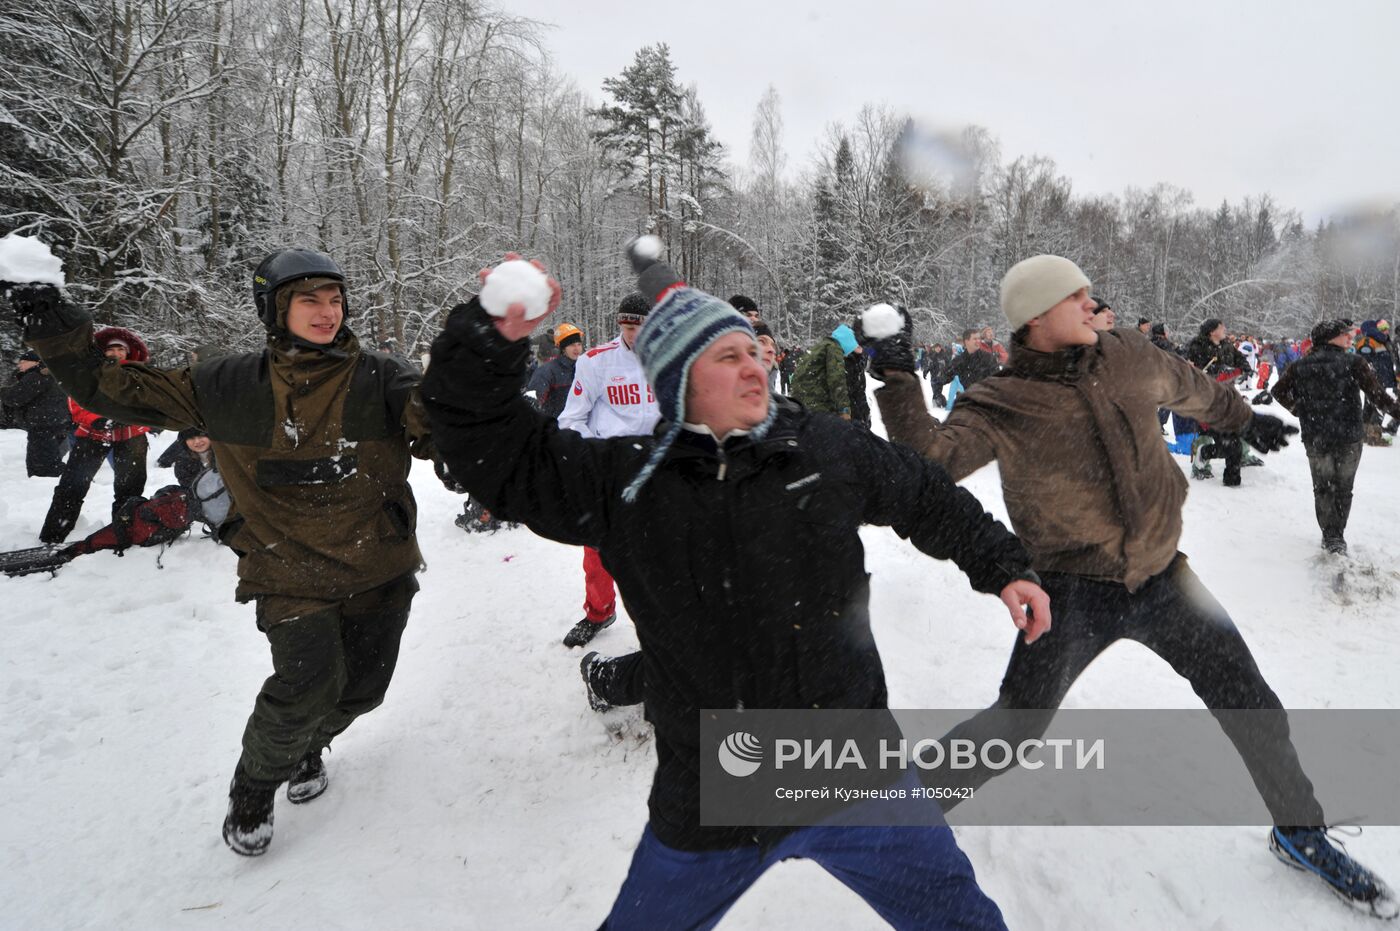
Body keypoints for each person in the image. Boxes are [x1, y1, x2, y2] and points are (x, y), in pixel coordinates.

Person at [421, 245, 1050, 931]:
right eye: (727, 357)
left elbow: (923, 493)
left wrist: (1002, 563)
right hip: (714, 792)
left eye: (754, 351)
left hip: (851, 768)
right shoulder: (629, 485)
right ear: (679, 379)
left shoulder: (824, 449)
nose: (755, 365)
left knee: (961, 921)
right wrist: (487, 336)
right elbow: (499, 453)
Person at [863, 254, 1395, 918]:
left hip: (1164, 577)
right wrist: (893, 374)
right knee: (1014, 725)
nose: (1091, 302)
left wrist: (1241, 419)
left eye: (1089, 291)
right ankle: (894, 817)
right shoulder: (1001, 400)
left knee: (1253, 703)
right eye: (1074, 295)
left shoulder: (1129, 355)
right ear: (1035, 317)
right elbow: (929, 466)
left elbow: (1191, 385)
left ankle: (1300, 829)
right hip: (1069, 588)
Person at [7, 247, 439, 857]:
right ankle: (255, 784)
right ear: (275, 308)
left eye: (334, 299)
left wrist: (471, 415)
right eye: (308, 300)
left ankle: (309, 746)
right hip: (285, 565)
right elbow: (112, 386)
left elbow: (441, 423)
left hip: (380, 563)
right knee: (305, 681)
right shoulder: (224, 384)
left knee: (362, 690)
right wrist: (53, 322)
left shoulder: (382, 377)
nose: (326, 312)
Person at [556, 293, 660, 647]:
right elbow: (570, 419)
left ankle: (664, 619)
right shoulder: (596, 362)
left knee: (661, 552)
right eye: (627, 326)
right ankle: (599, 612)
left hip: (657, 473)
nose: (633, 334)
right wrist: (599, 455)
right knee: (598, 551)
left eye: (640, 326)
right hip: (611, 472)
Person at [1272, 319, 1400, 555]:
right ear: (1331, 338)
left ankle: (1329, 534)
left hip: (1316, 435)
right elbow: (1377, 395)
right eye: (1345, 334)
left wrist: (1299, 409)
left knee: (1322, 487)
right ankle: (1336, 535)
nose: (1350, 338)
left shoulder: (1300, 365)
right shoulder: (1354, 362)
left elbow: (1277, 391)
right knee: (1343, 488)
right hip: (1348, 435)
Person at [38, 328, 152, 542]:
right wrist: (96, 419)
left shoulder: (139, 374)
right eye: (112, 349)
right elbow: (76, 400)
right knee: (73, 485)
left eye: (121, 349)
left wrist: (131, 415)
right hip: (93, 433)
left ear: (127, 352)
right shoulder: (89, 373)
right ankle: (54, 534)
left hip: (132, 434)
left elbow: (147, 402)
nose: (116, 353)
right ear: (103, 351)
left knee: (131, 487)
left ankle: (124, 532)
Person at [1186, 318, 1253, 485]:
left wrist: (1244, 370)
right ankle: (1201, 464)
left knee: (1236, 435)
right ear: (1211, 331)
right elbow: (1194, 370)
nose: (1224, 329)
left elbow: (1240, 360)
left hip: (1228, 397)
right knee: (1208, 433)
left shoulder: (1226, 345)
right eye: (1221, 327)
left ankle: (1233, 472)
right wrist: (1218, 371)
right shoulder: (1197, 346)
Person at [1, 349, 69, 476]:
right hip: (56, 424)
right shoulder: (52, 375)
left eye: (23, 362)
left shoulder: (36, 375)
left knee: (43, 466)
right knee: (47, 462)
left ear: (36, 362)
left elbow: (14, 398)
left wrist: (3, 392)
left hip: (43, 425)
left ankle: (73, 480)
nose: (19, 365)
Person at [788, 323, 859, 417]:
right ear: (847, 343)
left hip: (801, 401)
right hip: (815, 403)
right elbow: (837, 379)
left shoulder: (819, 346)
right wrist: (844, 409)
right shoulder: (834, 348)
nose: (846, 355)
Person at [526, 322, 583, 419]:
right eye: (572, 345)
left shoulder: (585, 368)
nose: (577, 348)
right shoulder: (546, 371)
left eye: (579, 344)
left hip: (580, 427)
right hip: (556, 427)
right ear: (563, 348)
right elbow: (531, 401)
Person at [1353, 318, 1396, 444]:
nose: (1386, 331)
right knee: (1377, 405)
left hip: (1379, 379)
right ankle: (1373, 435)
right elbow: (1363, 361)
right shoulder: (1369, 341)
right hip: (1373, 379)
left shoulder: (1379, 341)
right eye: (1382, 328)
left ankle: (1364, 433)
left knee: (1371, 405)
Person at [950, 327, 1000, 393]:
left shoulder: (988, 357)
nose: (978, 341)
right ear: (966, 341)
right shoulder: (958, 360)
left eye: (979, 338)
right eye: (975, 339)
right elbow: (943, 377)